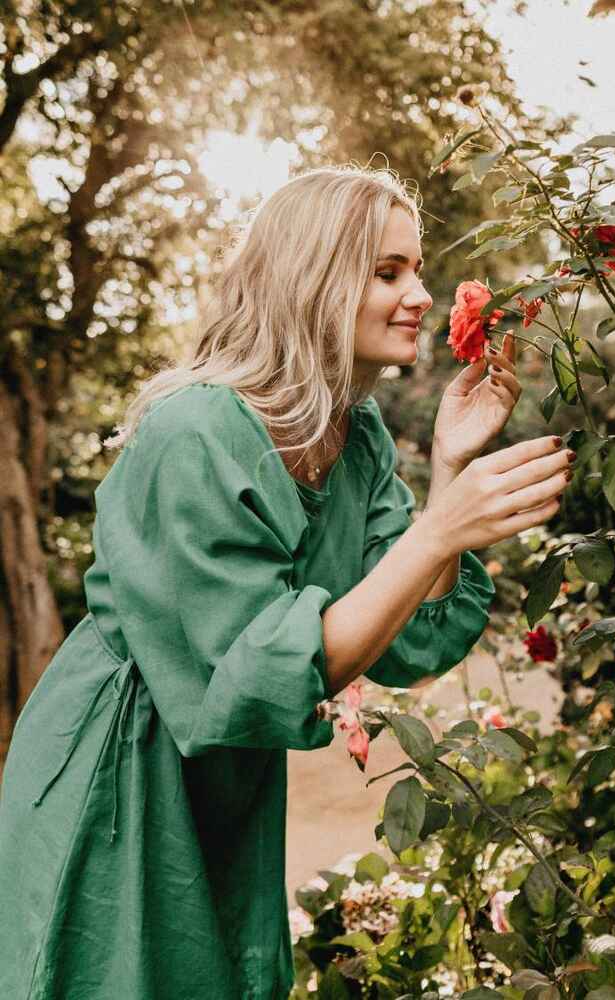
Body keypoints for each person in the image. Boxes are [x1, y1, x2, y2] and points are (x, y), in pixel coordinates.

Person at [0, 165, 571, 999]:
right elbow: (245, 678)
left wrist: (449, 472)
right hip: (121, 766)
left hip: (227, 776)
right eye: (387, 272)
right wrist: (442, 528)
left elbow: (412, 638)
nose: (418, 292)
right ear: (312, 279)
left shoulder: (359, 435)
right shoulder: (194, 432)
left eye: (414, 268)